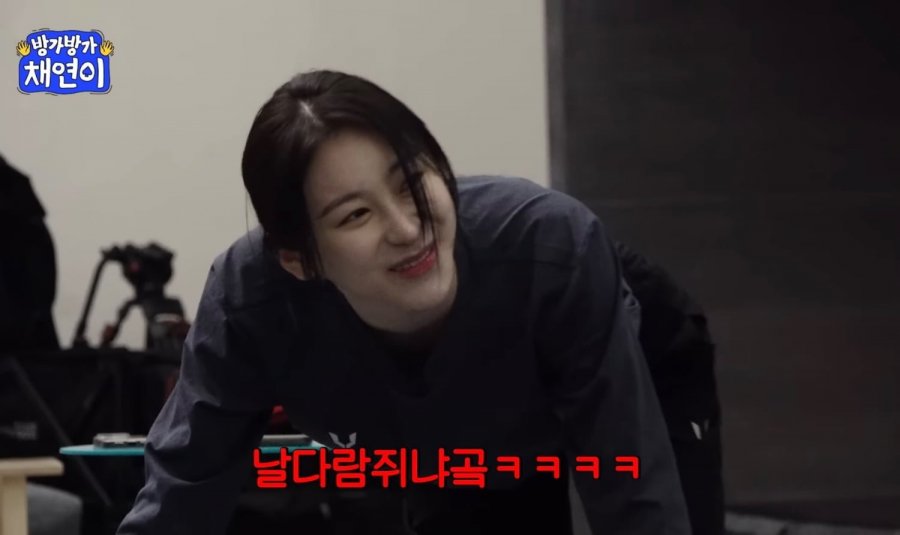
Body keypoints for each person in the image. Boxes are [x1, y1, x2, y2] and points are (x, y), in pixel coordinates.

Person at [117, 69, 692, 534]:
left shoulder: (550, 247)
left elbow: (633, 487)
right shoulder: (250, 302)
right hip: (454, 437)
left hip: (633, 362)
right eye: (355, 214)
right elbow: (183, 491)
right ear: (300, 260)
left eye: (410, 181)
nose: (407, 228)